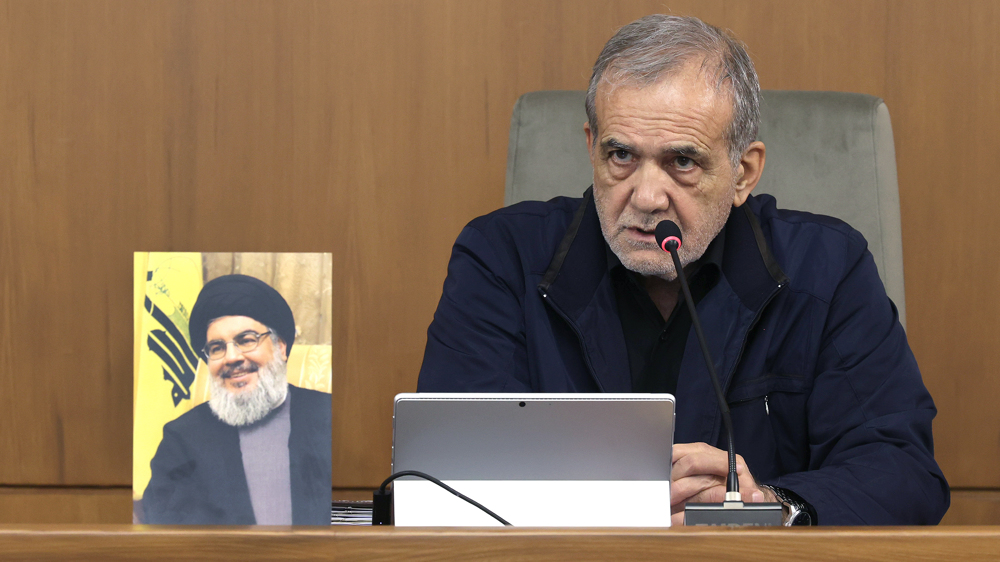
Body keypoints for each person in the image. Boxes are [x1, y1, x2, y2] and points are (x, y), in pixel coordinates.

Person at [417, 15, 949, 525]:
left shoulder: (828, 269)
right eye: (620, 155)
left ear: (744, 173)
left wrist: (771, 507)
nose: (646, 197)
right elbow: (446, 479)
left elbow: (902, 471)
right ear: (590, 148)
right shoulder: (500, 259)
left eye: (683, 162)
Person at [143, 274, 332, 525]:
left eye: (246, 340)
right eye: (217, 347)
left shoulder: (330, 416)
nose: (231, 357)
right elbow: (164, 534)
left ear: (281, 347)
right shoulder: (182, 439)